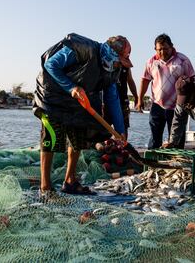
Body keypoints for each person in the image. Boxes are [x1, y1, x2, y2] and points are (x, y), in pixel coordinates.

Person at [33, 33, 132, 195]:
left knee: (79, 134)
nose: (118, 65)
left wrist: (120, 131)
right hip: (52, 92)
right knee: (51, 137)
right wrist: (71, 88)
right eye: (118, 61)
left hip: (79, 97)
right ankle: (45, 187)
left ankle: (70, 181)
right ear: (111, 54)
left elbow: (112, 98)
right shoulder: (83, 49)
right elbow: (51, 65)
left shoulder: (113, 70)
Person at [136, 34, 195, 149]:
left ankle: (177, 164)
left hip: (177, 108)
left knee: (177, 139)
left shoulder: (182, 60)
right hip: (157, 105)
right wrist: (140, 99)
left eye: (165, 49)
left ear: (172, 47)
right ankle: (152, 164)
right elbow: (145, 80)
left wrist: (191, 101)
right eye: (159, 50)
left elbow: (193, 80)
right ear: (155, 49)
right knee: (155, 138)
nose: (162, 52)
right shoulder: (151, 62)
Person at [103, 66, 138, 139]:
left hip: (123, 102)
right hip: (106, 103)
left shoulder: (126, 65)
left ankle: (122, 147)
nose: (128, 54)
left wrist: (136, 97)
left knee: (123, 132)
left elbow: (130, 81)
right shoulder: (107, 61)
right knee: (103, 132)